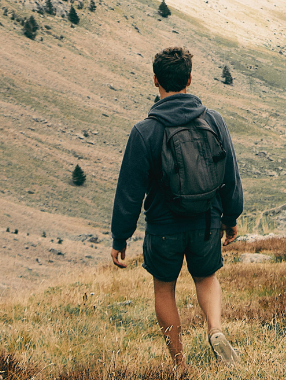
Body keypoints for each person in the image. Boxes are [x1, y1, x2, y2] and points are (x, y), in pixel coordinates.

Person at [110, 46, 244, 371]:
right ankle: (215, 328)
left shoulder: (145, 131)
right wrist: (231, 219)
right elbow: (230, 175)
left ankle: (180, 363)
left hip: (163, 227)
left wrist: (120, 238)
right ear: (189, 79)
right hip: (207, 223)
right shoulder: (214, 119)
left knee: (164, 288)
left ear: (155, 80)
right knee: (206, 278)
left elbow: (130, 191)